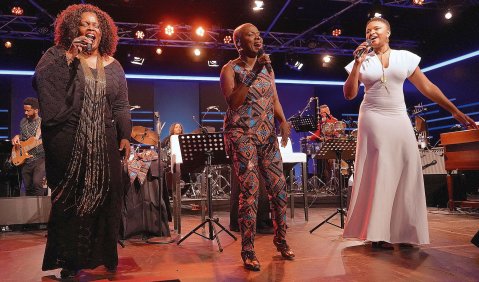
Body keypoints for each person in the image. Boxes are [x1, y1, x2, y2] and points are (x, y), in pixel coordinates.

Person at [342, 17, 478, 249]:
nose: (371, 32)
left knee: (408, 165)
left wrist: (454, 111)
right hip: (373, 116)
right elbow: (349, 94)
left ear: (388, 32)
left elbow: (427, 87)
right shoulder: (362, 61)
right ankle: (378, 233)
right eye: (367, 30)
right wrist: (356, 64)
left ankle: (405, 231)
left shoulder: (405, 57)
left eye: (376, 28)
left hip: (398, 116)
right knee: (381, 168)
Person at [33, 4, 131, 278]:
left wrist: (125, 135)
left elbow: (121, 105)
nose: (91, 29)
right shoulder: (56, 56)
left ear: (104, 33)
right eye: (85, 24)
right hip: (69, 139)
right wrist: (69, 57)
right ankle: (71, 260)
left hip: (105, 139)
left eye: (96, 25)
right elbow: (44, 85)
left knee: (108, 196)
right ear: (73, 28)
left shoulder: (114, 66)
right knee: (71, 200)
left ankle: (106, 255)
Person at [220, 23, 294, 271]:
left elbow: (273, 97)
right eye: (251, 35)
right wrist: (255, 71)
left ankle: (281, 240)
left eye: (259, 34)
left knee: (279, 189)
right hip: (241, 134)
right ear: (238, 43)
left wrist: (282, 120)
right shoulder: (230, 69)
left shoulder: (268, 68)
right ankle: (248, 249)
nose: (258, 38)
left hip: (266, 134)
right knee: (251, 190)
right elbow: (234, 102)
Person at [11, 97, 46, 196]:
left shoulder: (42, 123)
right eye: (24, 110)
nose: (25, 113)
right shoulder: (23, 122)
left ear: (36, 110)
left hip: (40, 158)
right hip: (26, 159)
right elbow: (23, 138)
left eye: (28, 110)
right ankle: (30, 210)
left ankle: (40, 211)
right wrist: (16, 137)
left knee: (37, 183)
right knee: (28, 186)